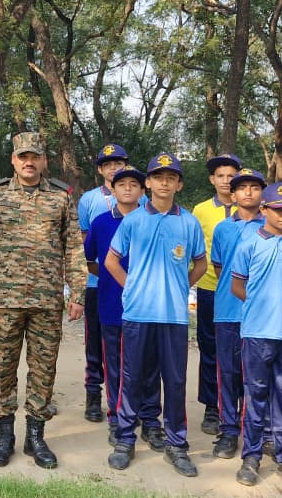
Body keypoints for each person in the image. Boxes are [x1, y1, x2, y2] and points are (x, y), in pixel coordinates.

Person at [0, 131, 86, 469]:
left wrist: (78, 293)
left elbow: (74, 248)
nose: (29, 162)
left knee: (43, 370)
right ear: (14, 160)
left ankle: (36, 436)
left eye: (35, 156)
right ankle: (4, 435)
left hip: (47, 301)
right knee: (3, 367)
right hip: (4, 300)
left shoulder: (61, 197)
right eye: (23, 157)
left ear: (44, 160)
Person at [105, 152, 207, 477]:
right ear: (148, 183)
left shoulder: (188, 222)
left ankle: (176, 444)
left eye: (171, 177)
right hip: (138, 314)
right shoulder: (133, 220)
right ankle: (125, 439)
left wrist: (180, 286)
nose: (164, 183)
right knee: (132, 378)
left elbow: (201, 264)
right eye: (158, 177)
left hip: (174, 317)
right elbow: (111, 261)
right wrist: (132, 286)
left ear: (179, 184)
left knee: (175, 382)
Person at [230, 183, 282, 490]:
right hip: (257, 332)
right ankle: (251, 456)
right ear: (264, 210)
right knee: (255, 395)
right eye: (278, 209)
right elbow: (237, 287)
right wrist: (260, 305)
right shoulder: (248, 244)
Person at [82, 165, 153, 445]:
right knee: (113, 362)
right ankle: (116, 416)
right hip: (111, 301)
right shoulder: (101, 222)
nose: (127, 189)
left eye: (134, 185)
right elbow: (88, 259)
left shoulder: (152, 220)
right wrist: (110, 275)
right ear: (112, 188)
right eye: (121, 184)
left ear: (143, 190)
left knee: (145, 362)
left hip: (147, 306)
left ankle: (143, 413)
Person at [208, 167, 266, 460]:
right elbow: (220, 267)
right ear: (233, 194)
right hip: (229, 311)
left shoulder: (272, 225)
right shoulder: (223, 228)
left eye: (254, 187)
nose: (248, 192)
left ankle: (257, 431)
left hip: (263, 314)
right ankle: (229, 430)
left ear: (262, 194)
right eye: (242, 187)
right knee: (229, 374)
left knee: (257, 377)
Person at [75, 143, 128, 423]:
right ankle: (93, 395)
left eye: (118, 164)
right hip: (97, 283)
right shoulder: (89, 199)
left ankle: (124, 399)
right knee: (94, 342)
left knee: (126, 345)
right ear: (100, 169)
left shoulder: (139, 197)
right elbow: (85, 243)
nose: (114, 169)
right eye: (108, 165)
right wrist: (101, 272)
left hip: (129, 284)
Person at [191, 152, 242, 435]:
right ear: (212, 179)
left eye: (231, 176)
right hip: (211, 289)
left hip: (244, 293)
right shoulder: (200, 210)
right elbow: (195, 249)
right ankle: (212, 406)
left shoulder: (251, 208)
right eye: (220, 176)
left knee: (242, 351)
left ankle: (240, 405)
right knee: (210, 349)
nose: (225, 181)